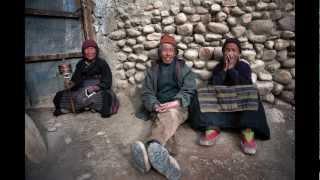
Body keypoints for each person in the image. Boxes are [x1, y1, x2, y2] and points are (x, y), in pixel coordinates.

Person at [131, 34, 197, 180]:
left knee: (171, 115)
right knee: (166, 122)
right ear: (160, 52)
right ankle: (159, 155)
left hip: (178, 106)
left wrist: (176, 102)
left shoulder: (182, 68)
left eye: (170, 50)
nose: (167, 53)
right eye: (164, 50)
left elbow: (190, 88)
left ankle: (152, 145)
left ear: (175, 52)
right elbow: (147, 92)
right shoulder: (154, 70)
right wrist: (154, 105)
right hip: (159, 106)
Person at [196, 38, 270, 155]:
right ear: (223, 52)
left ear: (238, 53)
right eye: (227, 50)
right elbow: (214, 86)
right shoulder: (219, 67)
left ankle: (247, 131)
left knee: (252, 92)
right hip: (222, 106)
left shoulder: (244, 67)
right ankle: (212, 126)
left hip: (240, 107)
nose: (230, 53)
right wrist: (225, 70)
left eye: (233, 50)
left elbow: (245, 85)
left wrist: (231, 69)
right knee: (201, 93)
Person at [53, 39, 116, 118]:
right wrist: (70, 84)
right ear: (83, 51)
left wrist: (95, 88)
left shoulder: (102, 63)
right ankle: (86, 106)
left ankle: (80, 107)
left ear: (96, 51)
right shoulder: (80, 64)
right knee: (60, 95)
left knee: (106, 97)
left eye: (92, 49)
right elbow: (75, 80)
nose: (89, 52)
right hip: (82, 90)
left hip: (97, 90)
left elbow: (107, 81)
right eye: (87, 49)